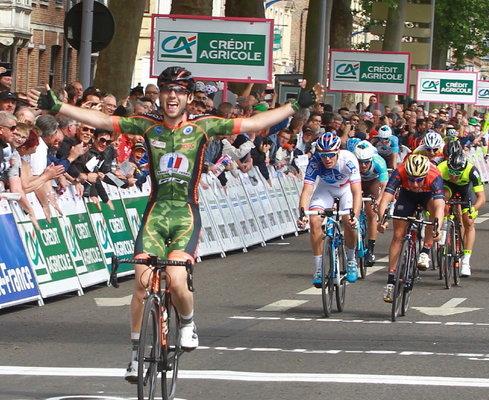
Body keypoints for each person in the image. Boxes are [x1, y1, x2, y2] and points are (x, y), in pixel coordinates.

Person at [28, 65, 319, 383]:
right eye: (167, 90)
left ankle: (189, 322)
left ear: (188, 97)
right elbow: (100, 120)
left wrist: (294, 106)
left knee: (177, 280)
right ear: (161, 94)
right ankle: (135, 354)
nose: (171, 97)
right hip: (154, 213)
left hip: (185, 215)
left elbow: (253, 122)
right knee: (141, 284)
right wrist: (58, 107)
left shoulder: (204, 126)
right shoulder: (146, 125)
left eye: (179, 92)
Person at [377, 154, 445, 303]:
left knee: (433, 215)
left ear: (425, 175)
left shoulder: (434, 175)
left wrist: (438, 227)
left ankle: (425, 251)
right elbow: (386, 198)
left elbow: (440, 205)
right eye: (412, 179)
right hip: (406, 197)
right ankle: (390, 281)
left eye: (419, 180)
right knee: (397, 236)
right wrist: (381, 220)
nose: (415, 184)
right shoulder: (400, 171)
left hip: (427, 196)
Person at [297, 132, 362, 287]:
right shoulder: (315, 162)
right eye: (323, 155)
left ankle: (351, 260)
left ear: (338, 151)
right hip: (325, 189)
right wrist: (302, 214)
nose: (327, 159)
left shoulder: (349, 160)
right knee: (314, 220)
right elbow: (307, 190)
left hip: (346, 189)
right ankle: (319, 268)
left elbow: (357, 192)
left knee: (348, 221)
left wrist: (355, 215)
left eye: (331, 155)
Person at [437, 151, 485, 277]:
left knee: (468, 222)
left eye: (457, 173)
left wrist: (473, 209)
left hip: (465, 190)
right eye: (452, 172)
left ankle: (466, 262)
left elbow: (481, 197)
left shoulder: (472, 171)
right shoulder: (441, 168)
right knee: (444, 203)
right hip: (448, 187)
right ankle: (444, 228)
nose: (454, 176)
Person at [353, 140, 389, 265]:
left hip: (373, 181)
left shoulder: (379, 162)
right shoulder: (351, 162)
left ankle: (371, 250)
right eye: (360, 162)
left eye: (366, 162)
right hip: (357, 181)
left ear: (371, 159)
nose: (363, 166)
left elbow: (384, 186)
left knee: (371, 212)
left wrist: (378, 201)